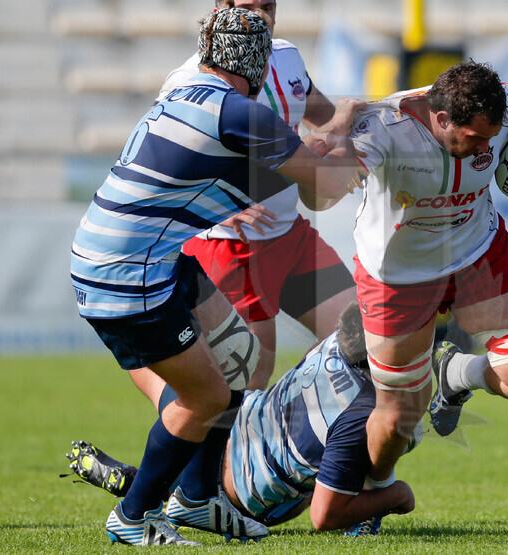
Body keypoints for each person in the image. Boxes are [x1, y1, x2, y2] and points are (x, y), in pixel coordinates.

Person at [70, 8, 358, 545]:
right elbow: (326, 188)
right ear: (258, 67)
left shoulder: (191, 94)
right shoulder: (242, 114)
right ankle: (133, 516)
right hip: (126, 272)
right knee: (205, 398)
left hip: (140, 254)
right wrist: (355, 142)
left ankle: (198, 501)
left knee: (237, 362)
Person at [342, 61, 508, 486]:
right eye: (475, 138)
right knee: (398, 417)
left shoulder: (499, 107)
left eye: (490, 140)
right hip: (398, 276)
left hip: (477, 255)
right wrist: (334, 157)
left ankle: (455, 374)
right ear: (441, 119)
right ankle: (373, 490)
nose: (484, 150)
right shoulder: (384, 126)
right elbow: (318, 186)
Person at [64, 302, 419, 536]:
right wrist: (397, 495)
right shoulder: (362, 414)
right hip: (240, 493)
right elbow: (323, 516)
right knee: (320, 487)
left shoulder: (336, 342)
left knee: (164, 385)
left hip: (234, 418)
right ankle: (154, 490)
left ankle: (145, 486)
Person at [151, 0, 357, 392]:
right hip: (232, 247)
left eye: (268, 5)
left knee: (361, 336)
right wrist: (209, 210)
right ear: (219, 9)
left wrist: (348, 128)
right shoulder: (188, 78)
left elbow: (325, 117)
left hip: (290, 236)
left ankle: (286, 420)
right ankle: (251, 438)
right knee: (247, 386)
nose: (262, 15)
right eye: (250, 6)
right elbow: (154, 161)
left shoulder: (287, 57)